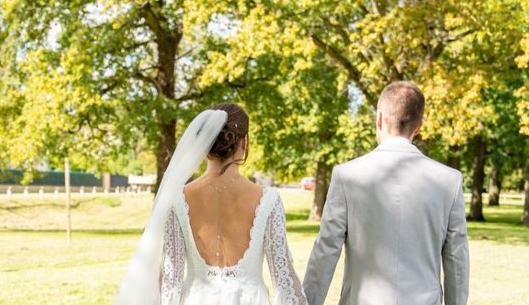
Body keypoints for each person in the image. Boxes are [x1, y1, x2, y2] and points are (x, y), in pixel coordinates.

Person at [115, 103, 306, 305]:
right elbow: (284, 280)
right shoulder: (268, 200)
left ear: (205, 144)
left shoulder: (178, 198)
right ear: (244, 141)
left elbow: (171, 281)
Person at [303, 81, 469, 305]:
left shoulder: (347, 175)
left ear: (378, 118)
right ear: (419, 126)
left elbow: (326, 251)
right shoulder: (448, 181)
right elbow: (457, 261)